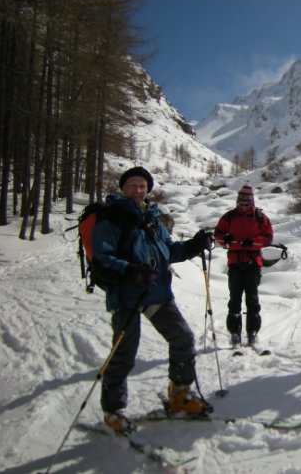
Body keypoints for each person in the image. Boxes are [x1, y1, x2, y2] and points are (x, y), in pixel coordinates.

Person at [92, 166, 214, 433]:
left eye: (142, 186)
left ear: (148, 189)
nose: (138, 190)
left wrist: (193, 245)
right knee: (123, 353)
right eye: (133, 185)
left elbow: (168, 251)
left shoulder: (152, 217)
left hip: (156, 291)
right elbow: (102, 257)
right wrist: (130, 271)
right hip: (126, 295)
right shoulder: (111, 217)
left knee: (182, 338)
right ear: (123, 188)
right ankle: (113, 411)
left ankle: (179, 395)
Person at [214, 185, 274, 346]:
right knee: (234, 299)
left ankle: (252, 332)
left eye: (246, 203)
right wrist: (224, 240)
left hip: (253, 263)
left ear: (252, 202)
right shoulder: (229, 216)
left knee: (252, 299)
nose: (243, 206)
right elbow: (218, 234)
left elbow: (268, 238)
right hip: (234, 262)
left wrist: (254, 242)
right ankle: (235, 333)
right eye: (241, 203)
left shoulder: (261, 217)